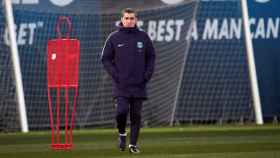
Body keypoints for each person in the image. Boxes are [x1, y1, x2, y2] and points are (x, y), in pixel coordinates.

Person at [101, 8, 156, 154]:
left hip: (139, 84)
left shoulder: (143, 37)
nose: (129, 21)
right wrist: (115, 75)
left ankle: (133, 145)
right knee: (121, 112)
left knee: (136, 116)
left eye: (132, 18)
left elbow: (151, 57)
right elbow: (105, 59)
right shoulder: (114, 37)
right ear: (122, 19)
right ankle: (122, 134)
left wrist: (147, 75)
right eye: (126, 18)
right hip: (121, 85)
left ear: (136, 20)